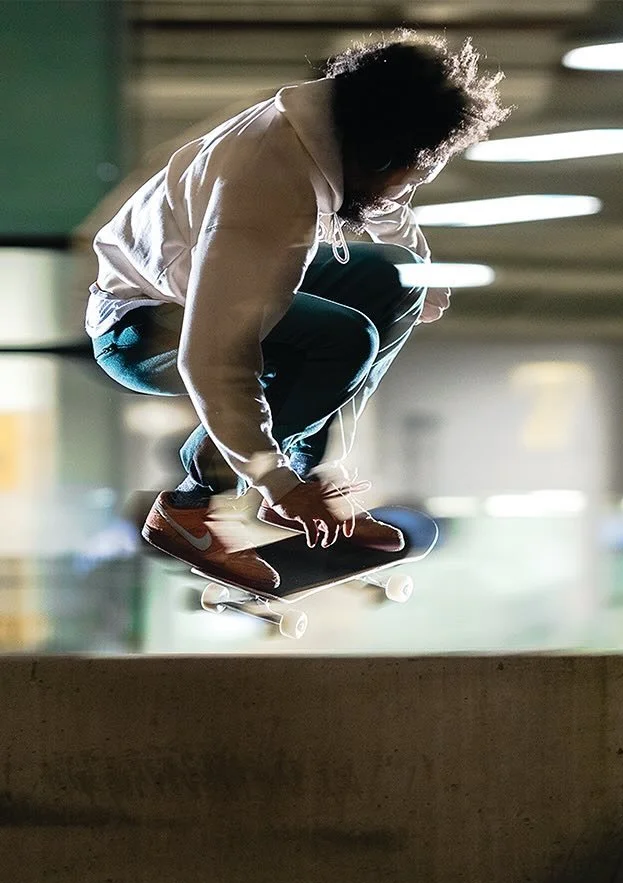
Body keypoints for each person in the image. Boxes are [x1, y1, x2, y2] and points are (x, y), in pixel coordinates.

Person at [86, 34, 508, 590]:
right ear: (378, 155)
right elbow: (211, 358)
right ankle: (193, 507)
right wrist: (273, 480)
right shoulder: (265, 188)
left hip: (202, 285)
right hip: (142, 326)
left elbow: (389, 209)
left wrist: (420, 275)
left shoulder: (338, 123)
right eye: (405, 177)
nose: (399, 195)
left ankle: (306, 473)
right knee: (343, 338)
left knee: (395, 277)